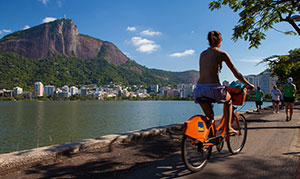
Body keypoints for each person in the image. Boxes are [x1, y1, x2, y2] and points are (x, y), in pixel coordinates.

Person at [193, 31, 254, 135]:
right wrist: (249, 84)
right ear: (220, 41)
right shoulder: (221, 54)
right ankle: (228, 127)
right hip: (213, 89)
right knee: (229, 100)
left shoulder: (202, 54)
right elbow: (237, 74)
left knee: (209, 118)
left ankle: (204, 141)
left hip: (199, 90)